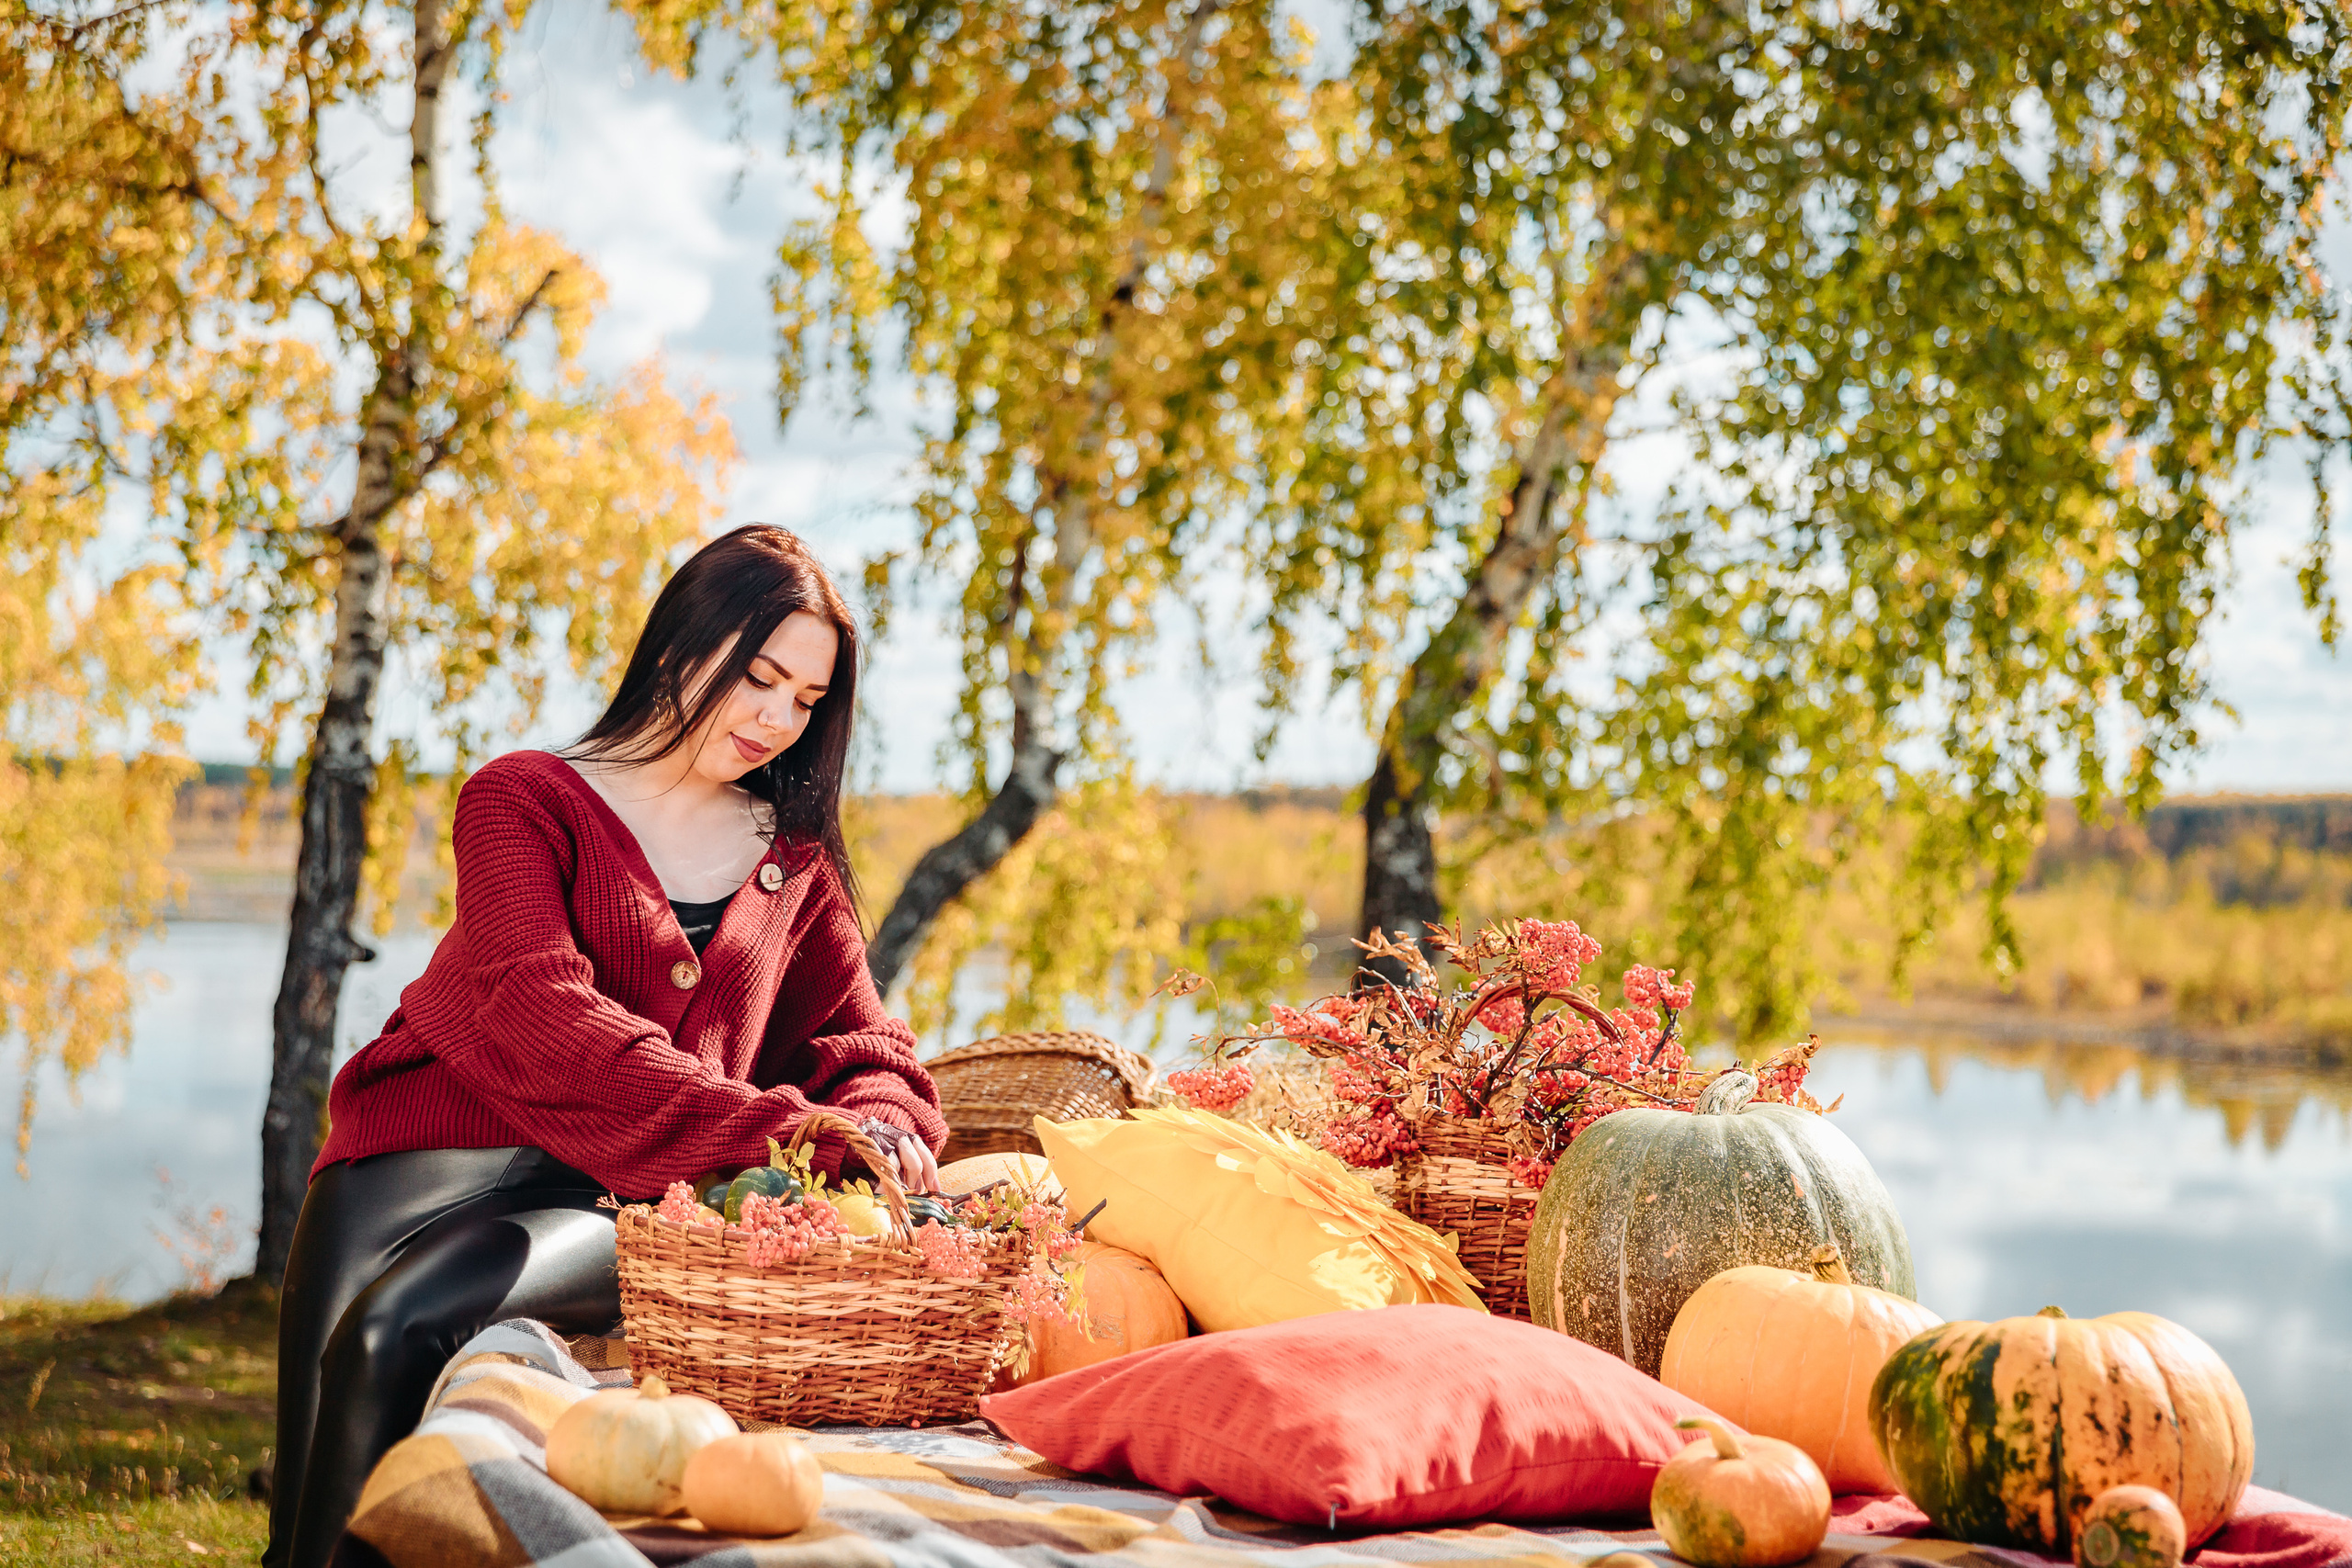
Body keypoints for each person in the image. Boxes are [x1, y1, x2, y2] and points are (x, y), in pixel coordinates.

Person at [264, 525, 947, 1568]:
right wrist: (782, 1130)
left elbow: (864, 1041)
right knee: (308, 1506)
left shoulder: (790, 860)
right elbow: (550, 1018)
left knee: (389, 1333)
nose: (777, 718)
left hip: (601, 1195)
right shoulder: (522, 798)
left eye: (806, 700)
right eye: (759, 677)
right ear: (679, 647)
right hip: (408, 1172)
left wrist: (883, 1127)